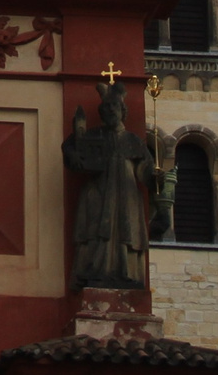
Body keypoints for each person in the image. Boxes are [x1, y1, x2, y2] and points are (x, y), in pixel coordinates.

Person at [64, 77, 154, 289]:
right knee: (96, 230)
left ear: (123, 111)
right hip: (100, 191)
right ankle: (96, 270)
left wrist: (157, 177)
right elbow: (70, 146)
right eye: (107, 108)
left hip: (126, 193)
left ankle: (125, 271)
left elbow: (145, 170)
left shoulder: (132, 140)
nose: (111, 110)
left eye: (115, 106)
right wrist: (73, 155)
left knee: (125, 231)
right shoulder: (94, 135)